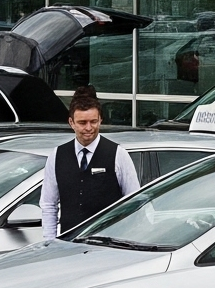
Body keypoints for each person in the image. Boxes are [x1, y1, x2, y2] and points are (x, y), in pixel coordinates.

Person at [39, 87, 141, 239]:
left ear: (100, 120)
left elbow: (134, 202)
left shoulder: (118, 154)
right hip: (68, 245)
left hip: (110, 246)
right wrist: (49, 242)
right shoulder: (57, 156)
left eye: (93, 121)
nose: (88, 128)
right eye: (82, 122)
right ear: (71, 122)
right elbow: (48, 204)